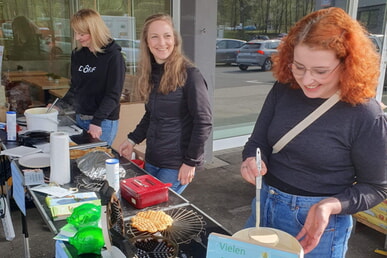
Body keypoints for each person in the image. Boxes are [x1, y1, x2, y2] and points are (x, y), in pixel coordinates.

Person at [240, 7, 386, 257]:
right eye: (299, 67)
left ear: (347, 64)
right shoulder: (284, 89)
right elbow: (258, 141)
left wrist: (329, 206)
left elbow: (376, 187)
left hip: (318, 223)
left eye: (320, 71)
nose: (306, 80)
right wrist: (252, 160)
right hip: (264, 205)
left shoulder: (365, 114)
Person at [118, 14, 212, 194]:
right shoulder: (152, 73)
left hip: (176, 165)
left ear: (175, 39)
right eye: (155, 36)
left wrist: (190, 162)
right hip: (153, 160)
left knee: (155, 214)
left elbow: (203, 122)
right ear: (146, 42)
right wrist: (132, 140)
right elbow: (151, 115)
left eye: (167, 35)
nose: (162, 42)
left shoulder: (190, 75)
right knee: (148, 213)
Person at [53, 9, 125, 146]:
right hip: (81, 118)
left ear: (94, 31)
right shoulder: (78, 54)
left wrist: (97, 121)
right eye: (75, 33)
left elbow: (113, 94)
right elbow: (75, 88)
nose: (77, 38)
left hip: (103, 122)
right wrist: (59, 106)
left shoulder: (113, 57)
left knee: (97, 162)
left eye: (82, 34)